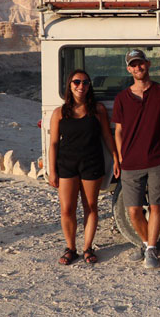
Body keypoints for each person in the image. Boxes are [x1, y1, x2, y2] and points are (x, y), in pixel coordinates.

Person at [113, 49, 160, 269]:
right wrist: (121, 158)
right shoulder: (122, 98)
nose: (138, 67)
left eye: (141, 63)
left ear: (148, 64)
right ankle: (146, 242)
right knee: (133, 210)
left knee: (156, 207)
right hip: (131, 163)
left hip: (158, 160)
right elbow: (119, 131)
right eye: (133, 65)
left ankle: (151, 249)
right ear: (128, 69)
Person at [48, 70, 118, 265]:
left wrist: (116, 158)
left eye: (85, 82)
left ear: (89, 86)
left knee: (91, 207)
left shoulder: (98, 110)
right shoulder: (59, 112)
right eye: (76, 82)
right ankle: (71, 248)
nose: (81, 86)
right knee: (67, 209)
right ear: (70, 85)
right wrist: (52, 171)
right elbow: (53, 143)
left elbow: (106, 136)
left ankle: (87, 247)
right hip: (66, 165)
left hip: (92, 164)